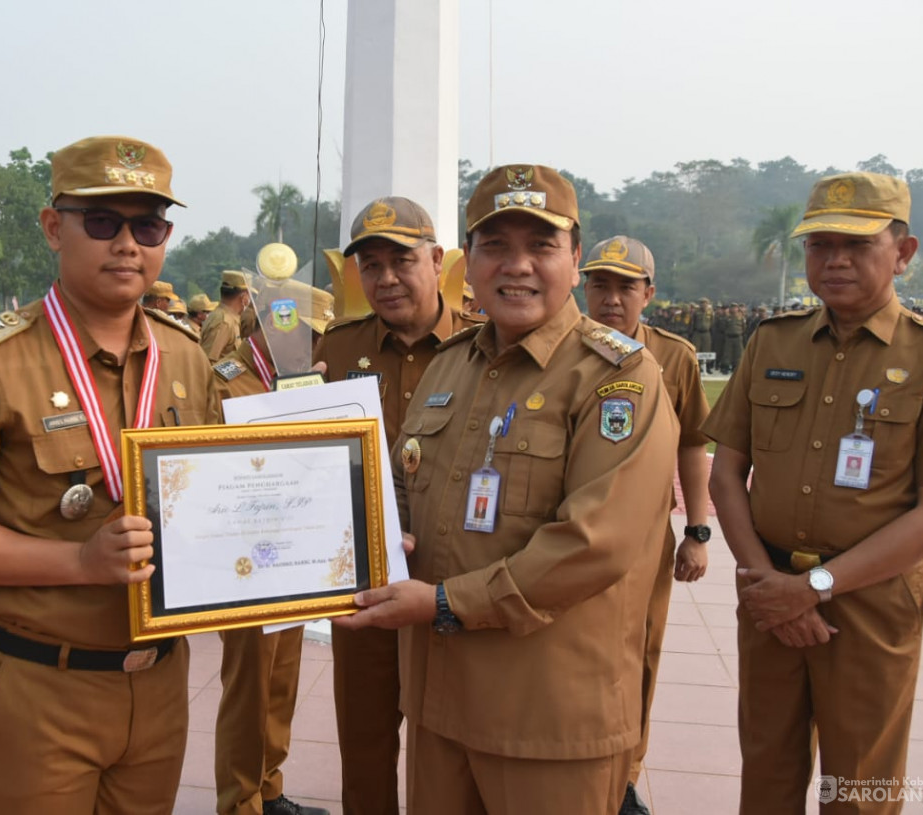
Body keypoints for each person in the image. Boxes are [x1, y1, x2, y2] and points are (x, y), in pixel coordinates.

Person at [0, 135, 224, 815]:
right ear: (53, 227)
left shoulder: (185, 357)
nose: (127, 243)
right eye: (102, 222)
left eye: (147, 224)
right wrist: (80, 560)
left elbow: (220, 501)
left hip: (159, 684)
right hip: (36, 685)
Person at [336, 165, 679, 814]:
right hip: (439, 707)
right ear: (470, 261)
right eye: (496, 246)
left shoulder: (618, 378)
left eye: (541, 245)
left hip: (546, 721)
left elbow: (593, 544)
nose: (516, 265)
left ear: (575, 258)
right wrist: (353, 552)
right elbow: (405, 495)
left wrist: (442, 601)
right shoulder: (449, 366)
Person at [703, 171, 923, 815]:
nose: (835, 260)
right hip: (767, 592)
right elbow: (725, 472)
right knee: (766, 771)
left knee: (858, 786)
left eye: (857, 245)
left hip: (870, 604)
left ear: (903, 254)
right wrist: (767, 581)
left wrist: (813, 588)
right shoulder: (773, 341)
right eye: (820, 245)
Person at [312, 196, 484, 815]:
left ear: (438, 261)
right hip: (364, 580)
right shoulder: (332, 354)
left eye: (401, 261)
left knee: (459, 745)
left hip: (457, 578)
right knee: (364, 742)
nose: (385, 278)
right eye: (371, 265)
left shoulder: (484, 348)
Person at [581, 235, 712, 815]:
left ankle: (626, 774)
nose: (611, 298)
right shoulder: (563, 347)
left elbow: (693, 446)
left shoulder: (674, 356)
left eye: (625, 287)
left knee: (640, 655)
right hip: (569, 534)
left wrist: (698, 531)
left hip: (644, 540)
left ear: (649, 294)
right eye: (600, 284)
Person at [212, 280, 334, 815]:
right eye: (304, 331)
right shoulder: (225, 383)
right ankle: (241, 802)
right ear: (272, 324)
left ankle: (270, 786)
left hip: (292, 552)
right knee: (249, 689)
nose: (311, 344)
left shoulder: (298, 381)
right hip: (242, 559)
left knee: (282, 677)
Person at [201, 270, 252, 361]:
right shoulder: (223, 322)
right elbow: (208, 362)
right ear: (243, 297)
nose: (250, 299)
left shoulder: (230, 318)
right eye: (249, 295)